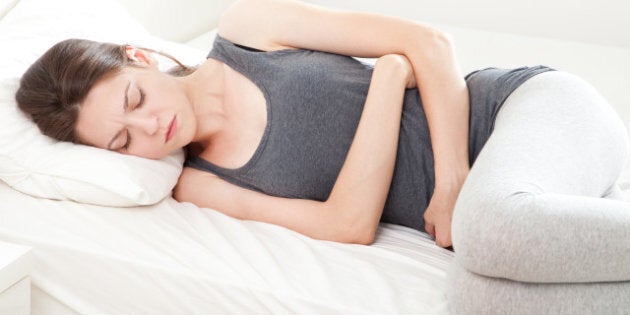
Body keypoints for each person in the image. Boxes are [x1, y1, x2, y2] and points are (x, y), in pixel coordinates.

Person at [16, 0, 629, 263]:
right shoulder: (198, 186)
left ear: (139, 58)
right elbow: (347, 226)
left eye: (134, 98)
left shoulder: (248, 29)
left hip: (519, 111)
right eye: (124, 141)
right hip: (505, 209)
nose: (151, 126)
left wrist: (452, 183)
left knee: (495, 231)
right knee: (491, 299)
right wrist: (386, 82)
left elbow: (428, 44)